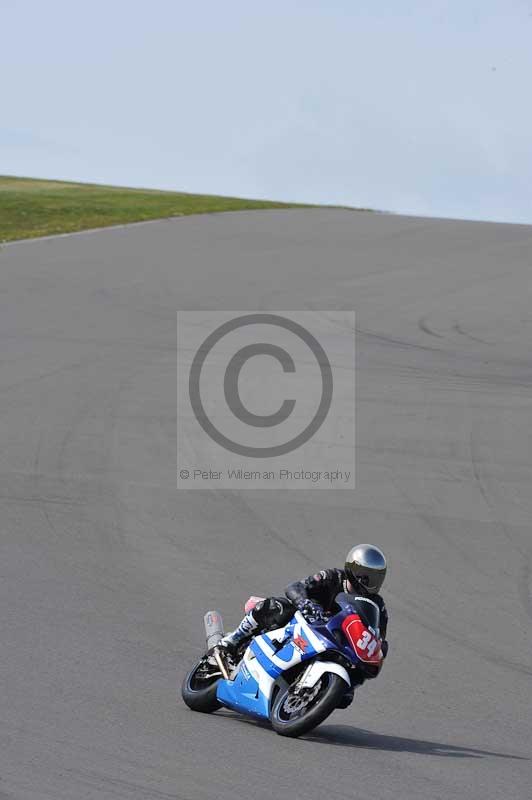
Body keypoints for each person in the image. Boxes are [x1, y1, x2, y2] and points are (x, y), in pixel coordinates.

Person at [218, 544, 389, 661]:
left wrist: (380, 649)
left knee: (347, 693)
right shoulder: (333, 577)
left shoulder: (377, 605)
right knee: (277, 606)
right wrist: (305, 603)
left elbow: (379, 638)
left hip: (334, 642)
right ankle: (232, 640)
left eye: (377, 578)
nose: (372, 583)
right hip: (307, 622)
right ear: (354, 571)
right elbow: (295, 587)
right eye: (367, 577)